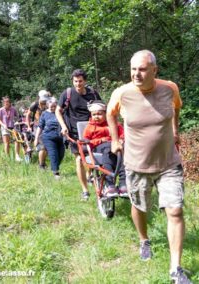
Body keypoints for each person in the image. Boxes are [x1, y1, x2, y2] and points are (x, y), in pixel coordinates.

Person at [107, 50, 191, 283]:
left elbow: (176, 107)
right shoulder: (122, 93)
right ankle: (144, 240)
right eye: (133, 69)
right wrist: (115, 140)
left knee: (175, 210)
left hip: (168, 162)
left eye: (142, 69)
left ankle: (176, 269)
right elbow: (109, 114)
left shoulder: (169, 88)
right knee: (140, 206)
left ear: (154, 70)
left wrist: (175, 130)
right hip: (136, 164)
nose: (136, 74)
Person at [55, 69, 101, 200]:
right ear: (72, 81)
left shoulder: (92, 93)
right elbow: (58, 111)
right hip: (74, 132)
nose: (78, 84)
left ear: (85, 81)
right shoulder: (67, 93)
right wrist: (63, 126)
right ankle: (85, 190)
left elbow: (102, 108)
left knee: (93, 157)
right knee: (80, 159)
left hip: (93, 130)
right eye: (75, 81)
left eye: (80, 81)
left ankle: (90, 175)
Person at [83, 100, 127, 197]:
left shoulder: (113, 124)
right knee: (108, 149)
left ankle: (123, 183)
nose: (96, 117)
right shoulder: (89, 127)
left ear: (105, 114)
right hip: (98, 148)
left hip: (115, 146)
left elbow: (123, 134)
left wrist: (121, 140)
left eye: (99, 114)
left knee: (122, 151)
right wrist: (100, 140)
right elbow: (86, 143)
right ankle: (110, 184)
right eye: (94, 115)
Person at [34, 97, 64, 179]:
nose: (53, 108)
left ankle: (54, 166)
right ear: (47, 106)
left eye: (54, 106)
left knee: (61, 154)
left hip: (60, 136)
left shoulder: (60, 112)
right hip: (48, 136)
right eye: (51, 106)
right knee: (53, 153)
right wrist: (36, 138)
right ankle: (56, 173)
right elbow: (40, 126)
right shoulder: (44, 114)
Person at [26, 90, 50, 169]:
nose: (44, 101)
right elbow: (28, 115)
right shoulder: (35, 105)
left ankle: (42, 163)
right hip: (37, 127)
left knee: (47, 147)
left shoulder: (48, 103)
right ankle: (41, 165)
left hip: (47, 127)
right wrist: (29, 126)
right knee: (42, 146)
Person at [0, 96, 21, 161]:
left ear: (10, 103)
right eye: (5, 102)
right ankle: (7, 157)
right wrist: (3, 124)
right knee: (7, 143)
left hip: (13, 127)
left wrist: (16, 121)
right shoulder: (1, 110)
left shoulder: (13, 109)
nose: (6, 103)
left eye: (8, 102)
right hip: (5, 127)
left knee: (17, 140)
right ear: (3, 103)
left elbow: (17, 117)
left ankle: (17, 156)